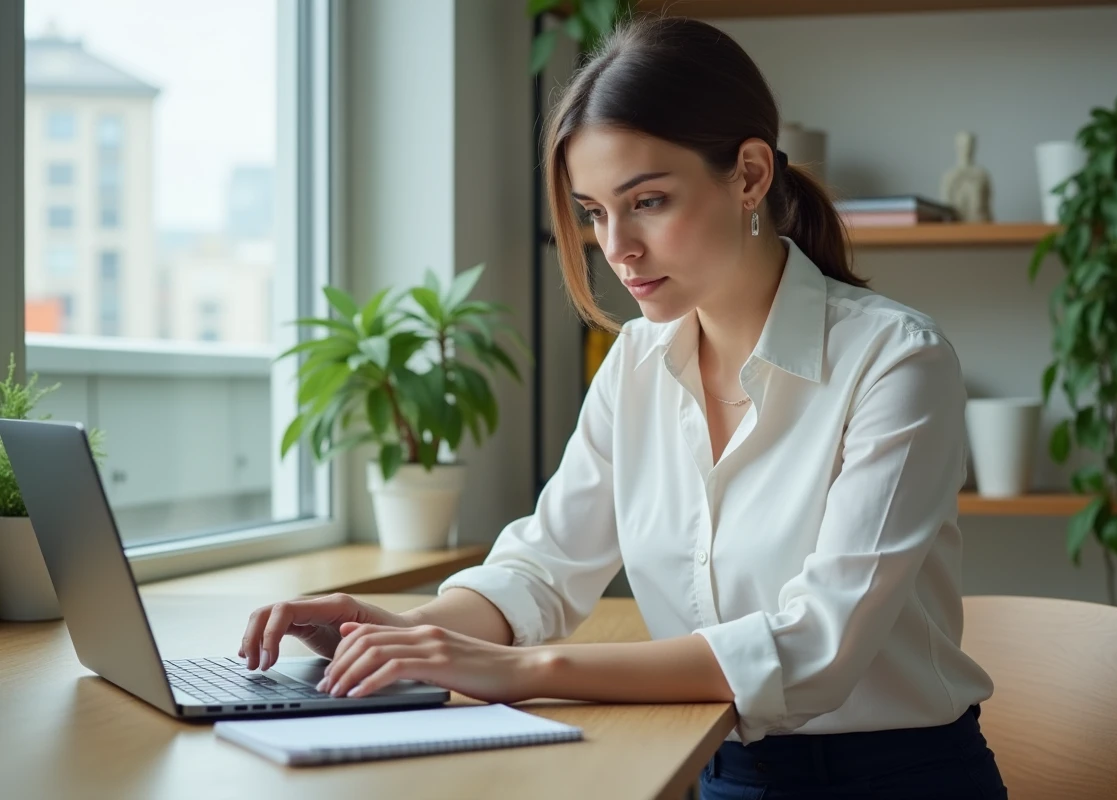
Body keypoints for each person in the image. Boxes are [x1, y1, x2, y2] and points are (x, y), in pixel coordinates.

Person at [240, 15, 1007, 799]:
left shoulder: (897, 360)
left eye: (647, 201)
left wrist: (518, 671)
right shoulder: (636, 363)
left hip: (898, 779)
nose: (618, 248)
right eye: (593, 212)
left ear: (748, 175)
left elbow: (817, 645)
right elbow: (543, 567)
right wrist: (401, 634)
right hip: (716, 768)